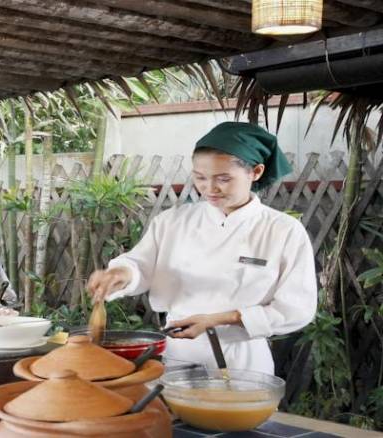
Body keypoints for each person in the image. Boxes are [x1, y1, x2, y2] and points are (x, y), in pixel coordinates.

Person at [86, 122, 317, 375]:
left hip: (242, 359)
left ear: (256, 172)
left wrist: (219, 319)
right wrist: (120, 275)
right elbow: (140, 265)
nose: (209, 188)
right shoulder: (172, 221)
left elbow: (296, 308)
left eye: (224, 179)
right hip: (177, 354)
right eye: (200, 177)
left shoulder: (283, 231)